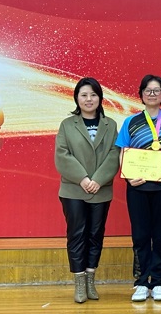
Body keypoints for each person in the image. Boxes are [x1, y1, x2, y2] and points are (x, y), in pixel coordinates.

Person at [115, 75, 161, 302]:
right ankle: (141, 282)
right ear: (141, 94)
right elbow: (122, 151)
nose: (152, 94)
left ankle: (158, 282)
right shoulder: (131, 121)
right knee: (140, 235)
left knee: (160, 234)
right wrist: (128, 178)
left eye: (157, 90)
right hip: (137, 186)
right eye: (148, 90)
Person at [55, 77, 120, 303]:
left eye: (93, 94)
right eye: (84, 95)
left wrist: (98, 180)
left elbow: (114, 154)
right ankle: (79, 282)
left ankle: (91, 279)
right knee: (77, 235)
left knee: (95, 235)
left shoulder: (110, 124)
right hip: (73, 189)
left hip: (100, 190)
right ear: (76, 98)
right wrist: (83, 179)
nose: (89, 99)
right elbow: (62, 155)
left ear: (100, 98)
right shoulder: (67, 124)